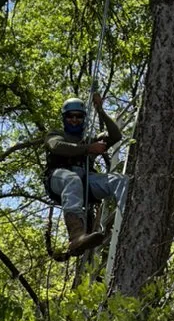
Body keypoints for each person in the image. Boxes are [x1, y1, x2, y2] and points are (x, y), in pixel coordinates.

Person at [45, 92, 128, 256]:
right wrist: (88, 149)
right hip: (58, 179)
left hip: (85, 182)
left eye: (79, 116)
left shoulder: (90, 140)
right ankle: (76, 235)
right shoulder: (55, 135)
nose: (74, 120)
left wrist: (100, 111)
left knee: (120, 180)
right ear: (64, 118)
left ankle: (129, 219)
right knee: (72, 179)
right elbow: (55, 146)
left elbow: (115, 135)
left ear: (84, 118)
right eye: (70, 116)